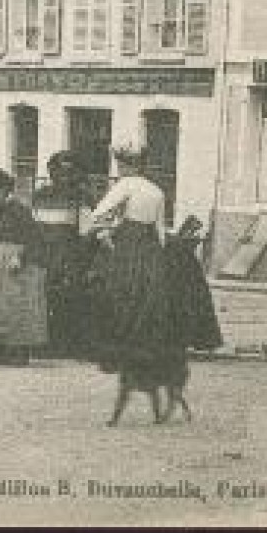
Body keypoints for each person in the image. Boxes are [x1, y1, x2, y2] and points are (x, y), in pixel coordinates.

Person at [84, 145, 176, 376]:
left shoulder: (125, 185)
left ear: (124, 165)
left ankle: (116, 356)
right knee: (146, 299)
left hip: (128, 243)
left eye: (121, 165)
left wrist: (107, 231)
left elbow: (97, 214)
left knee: (119, 295)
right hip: (150, 246)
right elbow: (160, 230)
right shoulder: (156, 190)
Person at [0, 167, 48, 364]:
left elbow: (33, 237)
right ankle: (0, 348)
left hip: (15, 260)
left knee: (17, 304)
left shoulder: (20, 210)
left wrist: (20, 257)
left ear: (3, 190)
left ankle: (19, 352)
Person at [30, 151, 93, 357]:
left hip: (56, 253)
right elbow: (85, 231)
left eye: (68, 172)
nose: (64, 177)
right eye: (61, 172)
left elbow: (84, 230)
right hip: (59, 253)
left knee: (54, 297)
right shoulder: (80, 196)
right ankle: (59, 343)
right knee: (58, 297)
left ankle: (55, 343)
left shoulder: (43, 195)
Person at [165, 216, 223, 352]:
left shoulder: (176, 246)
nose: (194, 233)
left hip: (186, 275)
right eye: (193, 230)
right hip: (187, 275)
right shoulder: (180, 247)